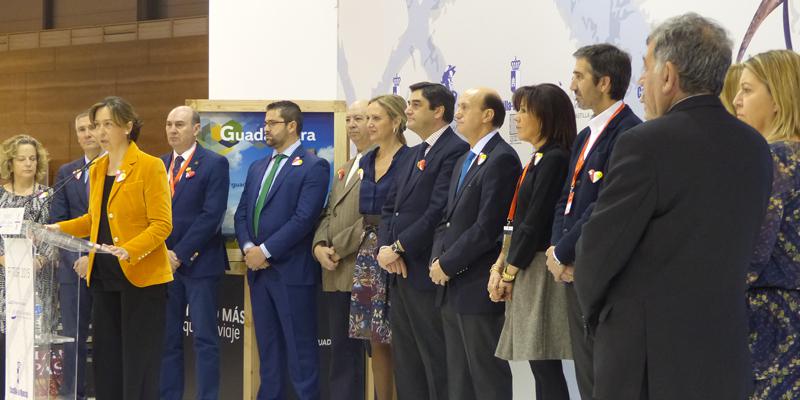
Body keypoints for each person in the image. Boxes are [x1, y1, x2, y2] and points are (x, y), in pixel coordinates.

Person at [574, 13, 773, 400]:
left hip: (647, 361)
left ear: (668, 76)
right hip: (724, 352)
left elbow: (598, 250)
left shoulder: (645, 143)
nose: (641, 81)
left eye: (646, 67)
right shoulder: (756, 148)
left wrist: (598, 316)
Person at [54, 96, 174, 400]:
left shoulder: (150, 166)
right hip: (104, 275)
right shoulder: (98, 168)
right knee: (106, 362)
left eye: (108, 124)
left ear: (127, 126)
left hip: (141, 278)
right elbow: (93, 219)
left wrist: (129, 249)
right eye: (97, 125)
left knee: (139, 363)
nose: (100, 132)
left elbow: (162, 224)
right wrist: (57, 229)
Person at [545, 43, 642, 400]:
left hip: (602, 275)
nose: (571, 85)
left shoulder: (630, 133)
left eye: (579, 76)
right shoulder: (586, 135)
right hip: (572, 272)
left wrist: (565, 252)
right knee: (586, 375)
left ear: (604, 82)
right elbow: (565, 199)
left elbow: (605, 205)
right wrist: (556, 250)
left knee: (607, 378)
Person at [376, 82, 468, 400]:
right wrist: (385, 249)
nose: (408, 111)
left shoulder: (455, 150)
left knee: (435, 360)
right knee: (407, 362)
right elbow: (390, 208)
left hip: (426, 271)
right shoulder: (413, 153)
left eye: (415, 105)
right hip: (398, 272)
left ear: (438, 111)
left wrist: (399, 247)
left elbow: (438, 211)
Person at [233, 101, 330, 400]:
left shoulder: (314, 166)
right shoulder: (257, 166)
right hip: (259, 273)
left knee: (300, 351)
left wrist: (265, 251)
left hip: (292, 272)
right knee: (268, 348)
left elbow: (304, 218)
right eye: (265, 123)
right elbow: (242, 213)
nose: (265, 128)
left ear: (292, 126)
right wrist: (249, 248)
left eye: (272, 123)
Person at [429, 87, 519, 400]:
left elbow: (487, 227)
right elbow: (446, 219)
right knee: (459, 379)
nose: (458, 113)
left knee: (486, 377)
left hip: (478, 284)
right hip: (451, 286)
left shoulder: (502, 159)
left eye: (466, 107)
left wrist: (448, 263)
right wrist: (437, 261)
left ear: (487, 115)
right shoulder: (465, 159)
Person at [490, 84, 575, 400]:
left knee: (545, 362)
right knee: (540, 364)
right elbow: (518, 222)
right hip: (524, 264)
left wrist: (509, 271)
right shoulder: (538, 158)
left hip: (538, 267)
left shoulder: (555, 159)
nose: (517, 117)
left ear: (547, 117)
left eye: (525, 111)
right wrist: (502, 264)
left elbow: (535, 223)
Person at [733, 49, 800, 400]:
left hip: (770, 327)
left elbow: (751, 252)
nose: (736, 100)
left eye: (747, 90)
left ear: (778, 98)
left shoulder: (774, 159)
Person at [159, 106, 230, 400]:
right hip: (162, 265)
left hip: (199, 264)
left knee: (205, 339)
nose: (172, 130)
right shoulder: (158, 164)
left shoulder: (214, 163)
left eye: (179, 124)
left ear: (196, 128)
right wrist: (163, 253)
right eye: (168, 124)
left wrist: (179, 254)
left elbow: (211, 216)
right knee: (167, 340)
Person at [347, 94, 408, 400]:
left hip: (397, 252)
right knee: (375, 338)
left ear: (396, 121)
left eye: (376, 118)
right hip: (368, 252)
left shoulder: (410, 159)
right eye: (367, 118)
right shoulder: (367, 160)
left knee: (399, 337)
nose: (368, 124)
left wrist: (394, 247)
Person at [312, 100, 372, 400]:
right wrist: (319, 246)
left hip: (363, 272)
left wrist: (337, 248)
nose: (352, 125)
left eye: (359, 118)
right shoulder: (345, 167)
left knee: (369, 355)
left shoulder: (383, 163)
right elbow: (328, 213)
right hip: (335, 273)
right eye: (349, 119)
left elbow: (373, 218)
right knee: (341, 352)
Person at [50, 112, 103, 399]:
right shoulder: (67, 172)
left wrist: (93, 258)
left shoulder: (115, 168)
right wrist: (76, 259)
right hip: (73, 270)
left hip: (107, 266)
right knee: (74, 338)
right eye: (81, 129)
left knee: (107, 337)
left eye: (92, 127)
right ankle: (73, 394)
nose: (87, 133)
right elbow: (58, 221)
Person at [0, 134, 54, 395]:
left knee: (31, 347)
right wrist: (6, 261)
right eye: (21, 159)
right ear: (10, 163)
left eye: (32, 158)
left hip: (36, 280)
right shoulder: (0, 195)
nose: (28, 164)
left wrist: (40, 259)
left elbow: (55, 234)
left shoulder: (48, 195)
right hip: (4, 280)